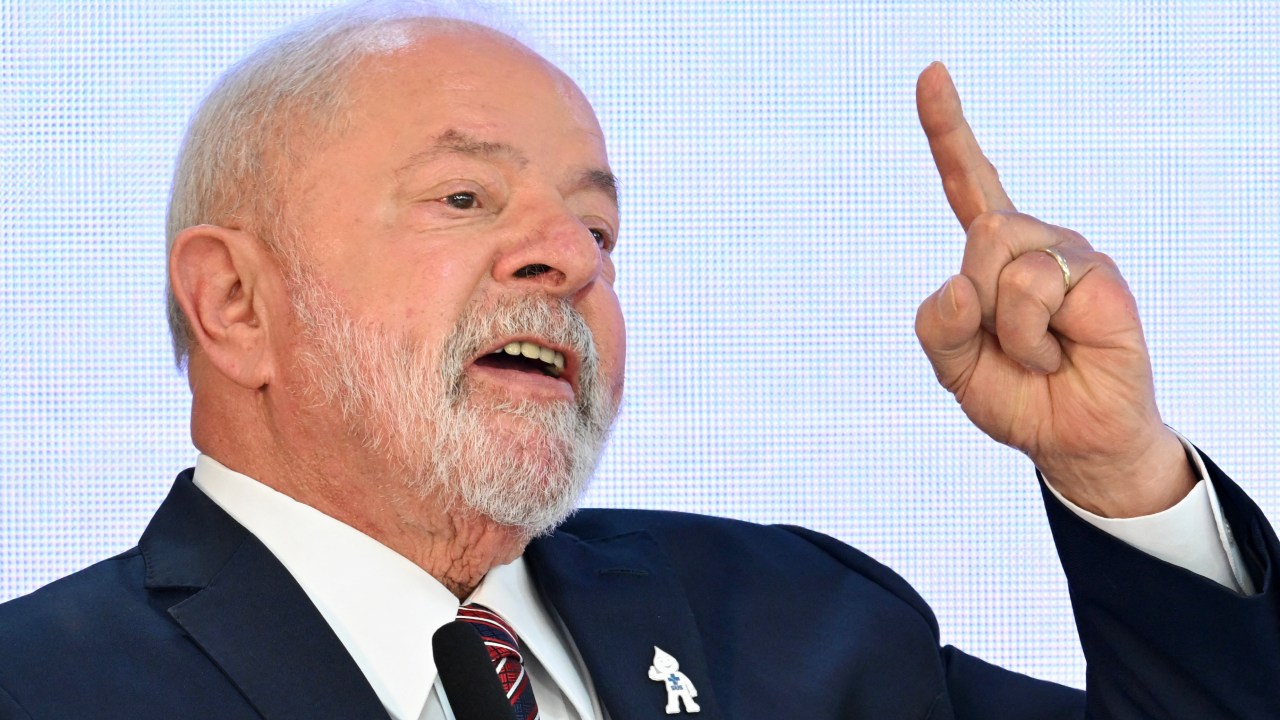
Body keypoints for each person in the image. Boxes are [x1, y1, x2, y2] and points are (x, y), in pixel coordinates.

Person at [0, 2, 1276, 718]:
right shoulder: (44, 685)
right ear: (233, 301)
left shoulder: (795, 622)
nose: (569, 256)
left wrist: (1117, 472)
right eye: (462, 199)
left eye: (599, 226)